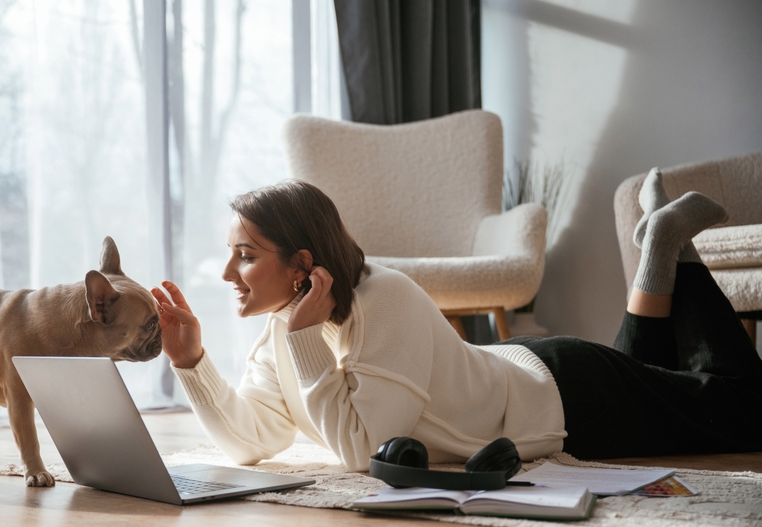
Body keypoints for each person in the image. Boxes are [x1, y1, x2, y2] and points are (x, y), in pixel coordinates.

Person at [150, 176, 762, 471]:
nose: (228, 270)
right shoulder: (284, 327)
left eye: (247, 254)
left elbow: (365, 454)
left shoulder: (383, 299)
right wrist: (191, 364)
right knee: (653, 370)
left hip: (569, 399)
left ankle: (674, 244)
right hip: (539, 374)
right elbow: (253, 440)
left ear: (302, 265)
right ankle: (660, 246)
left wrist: (306, 341)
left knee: (744, 410)